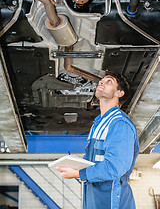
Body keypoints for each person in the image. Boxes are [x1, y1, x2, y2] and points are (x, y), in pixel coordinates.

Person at [55, 71, 139, 209]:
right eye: (101, 81)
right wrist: (79, 163)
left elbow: (114, 168)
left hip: (112, 200)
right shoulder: (98, 123)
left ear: (119, 93)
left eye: (109, 81)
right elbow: (96, 162)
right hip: (94, 198)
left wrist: (78, 173)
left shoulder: (120, 124)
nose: (101, 82)